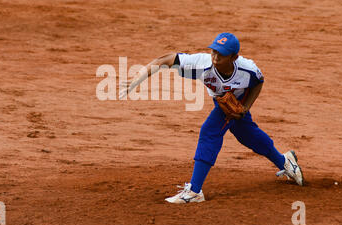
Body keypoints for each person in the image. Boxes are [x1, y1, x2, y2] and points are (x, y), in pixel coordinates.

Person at [119, 32, 304, 204]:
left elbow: (258, 83)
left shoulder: (248, 70)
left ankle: (194, 191)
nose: (215, 58)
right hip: (221, 101)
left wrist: (246, 107)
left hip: (238, 100)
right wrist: (136, 81)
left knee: (210, 131)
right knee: (246, 134)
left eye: (221, 55)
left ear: (234, 57)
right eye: (214, 52)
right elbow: (166, 59)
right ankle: (285, 162)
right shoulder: (202, 63)